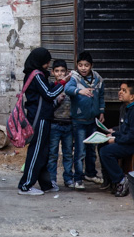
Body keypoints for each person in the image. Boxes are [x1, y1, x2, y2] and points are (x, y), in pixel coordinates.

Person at [17, 47, 66, 195]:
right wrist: (64, 82)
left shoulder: (37, 75)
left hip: (43, 117)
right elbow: (49, 94)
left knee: (43, 152)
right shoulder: (37, 75)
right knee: (37, 151)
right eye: (47, 61)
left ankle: (46, 184)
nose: (48, 64)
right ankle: (25, 186)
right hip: (40, 119)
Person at [98, 81, 134, 197]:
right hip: (129, 141)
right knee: (102, 145)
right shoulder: (127, 108)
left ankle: (121, 180)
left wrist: (115, 139)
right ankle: (109, 180)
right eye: (120, 89)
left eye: (124, 91)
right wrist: (113, 132)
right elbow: (125, 129)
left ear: (132, 97)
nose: (120, 92)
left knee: (106, 152)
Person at [64, 51, 105, 188]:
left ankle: (91, 174)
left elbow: (101, 97)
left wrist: (101, 112)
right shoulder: (74, 78)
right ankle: (78, 178)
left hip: (92, 120)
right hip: (79, 121)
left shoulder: (98, 78)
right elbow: (67, 89)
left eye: (86, 65)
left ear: (91, 65)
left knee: (91, 150)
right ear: (77, 65)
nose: (83, 68)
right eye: (80, 65)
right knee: (80, 151)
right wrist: (79, 91)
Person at [47, 59, 74, 190]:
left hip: (68, 124)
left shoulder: (70, 87)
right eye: (57, 71)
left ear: (67, 72)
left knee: (68, 153)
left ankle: (68, 178)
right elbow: (48, 107)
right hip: (54, 124)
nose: (60, 73)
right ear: (52, 72)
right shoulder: (51, 87)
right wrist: (57, 100)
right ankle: (52, 179)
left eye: (62, 71)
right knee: (52, 154)